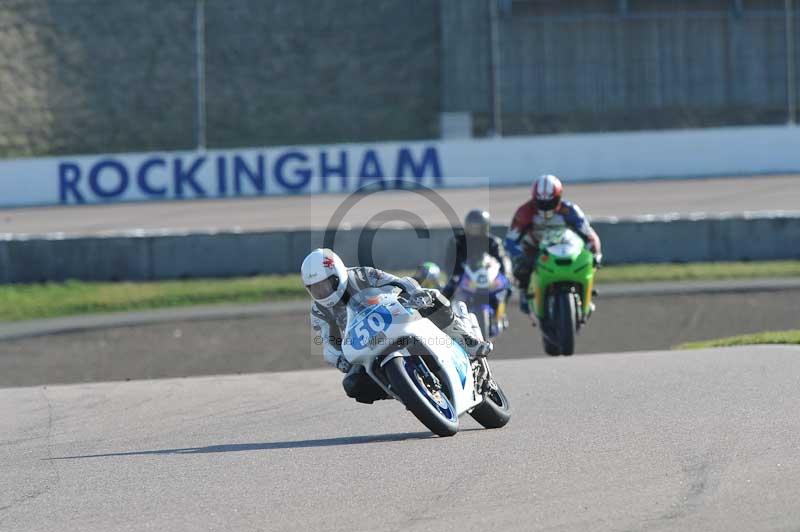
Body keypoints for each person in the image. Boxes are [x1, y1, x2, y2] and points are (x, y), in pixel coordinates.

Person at [301, 248, 493, 404]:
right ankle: (403, 389)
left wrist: (416, 293)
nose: (321, 292)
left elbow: (397, 282)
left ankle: (466, 339)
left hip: (394, 316)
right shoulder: (319, 311)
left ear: (338, 275)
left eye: (325, 285)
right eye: (315, 288)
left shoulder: (362, 274)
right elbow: (329, 341)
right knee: (352, 385)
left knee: (433, 297)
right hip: (368, 343)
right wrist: (339, 359)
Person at [505, 174, 602, 314]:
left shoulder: (570, 210)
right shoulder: (524, 212)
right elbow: (510, 240)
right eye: (541, 203)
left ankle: (585, 297)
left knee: (588, 264)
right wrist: (521, 256)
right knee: (521, 267)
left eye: (550, 202)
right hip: (535, 251)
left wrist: (596, 254)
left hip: (566, 248)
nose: (545, 207)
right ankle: (526, 292)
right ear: (534, 199)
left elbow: (589, 234)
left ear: (559, 197)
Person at [441, 209, 511, 300]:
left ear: (485, 226)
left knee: (508, 289)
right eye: (473, 227)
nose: (475, 230)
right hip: (463, 277)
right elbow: (450, 261)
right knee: (447, 291)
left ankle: (501, 312)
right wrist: (454, 275)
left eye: (478, 227)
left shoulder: (493, 242)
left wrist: (506, 275)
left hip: (487, 277)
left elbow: (502, 259)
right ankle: (445, 312)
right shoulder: (457, 241)